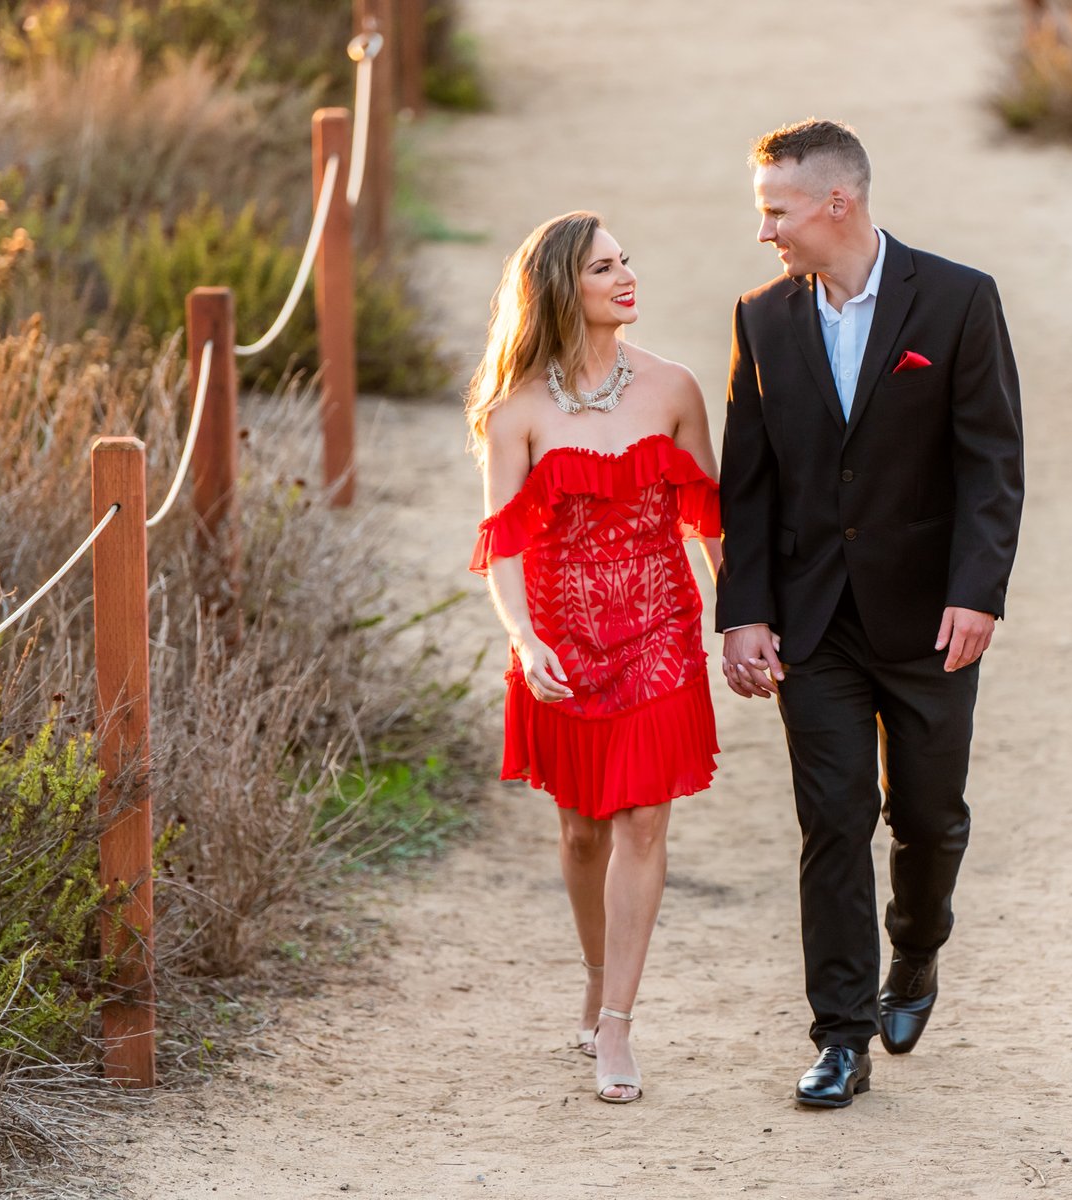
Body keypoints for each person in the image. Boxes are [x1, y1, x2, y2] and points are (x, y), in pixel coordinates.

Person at [716, 120, 1025, 1109]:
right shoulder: (761, 318)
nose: (764, 230)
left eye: (776, 210)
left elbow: (992, 463)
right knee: (833, 817)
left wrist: (976, 592)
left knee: (927, 817)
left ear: (835, 203)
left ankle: (918, 949)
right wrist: (743, 612)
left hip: (932, 616)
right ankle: (840, 1036)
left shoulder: (959, 299)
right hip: (813, 623)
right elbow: (747, 483)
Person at [467, 211, 723, 1105]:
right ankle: (594, 973)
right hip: (561, 637)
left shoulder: (675, 387)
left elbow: (708, 520)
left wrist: (744, 621)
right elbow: (502, 545)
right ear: (558, 288)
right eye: (603, 268)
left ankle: (617, 1022)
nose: (626, 278)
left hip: (660, 630)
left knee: (642, 823)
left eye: (626, 262)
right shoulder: (515, 409)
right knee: (581, 830)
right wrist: (523, 636)